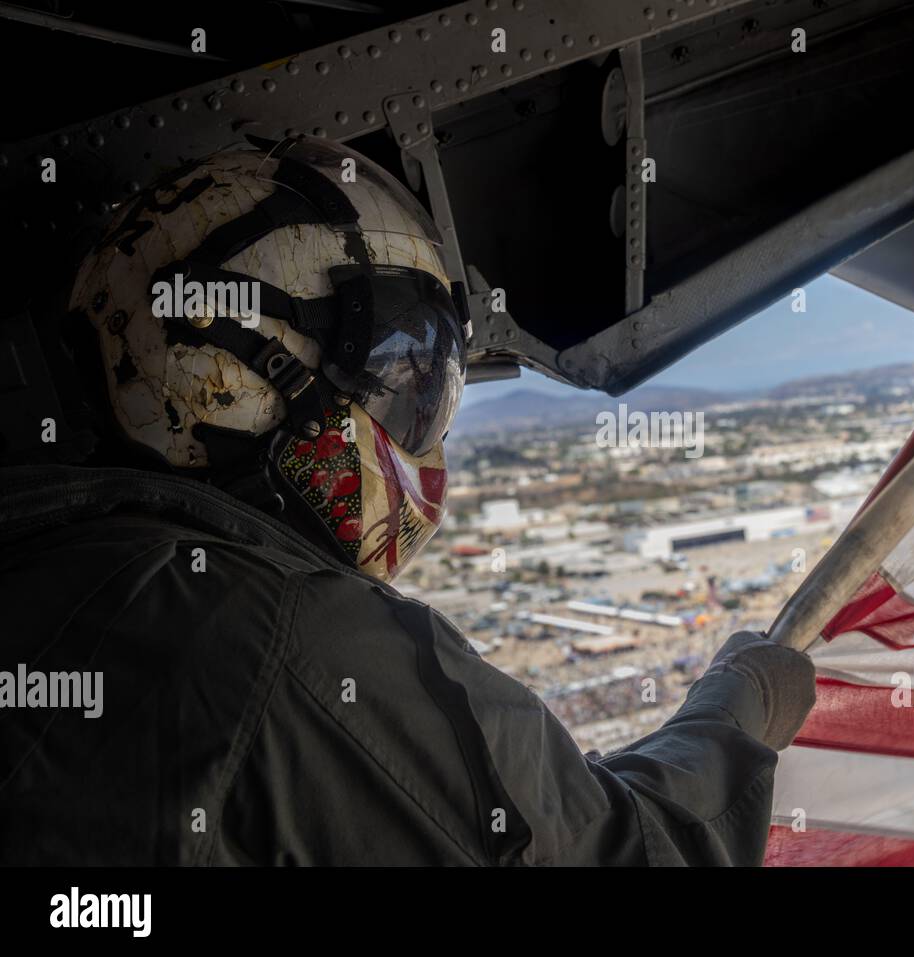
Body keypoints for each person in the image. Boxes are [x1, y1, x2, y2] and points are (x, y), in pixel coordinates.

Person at [0, 137, 816, 865]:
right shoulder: (282, 639)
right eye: (407, 390)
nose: (424, 438)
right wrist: (739, 704)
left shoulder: (48, 553)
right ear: (252, 372)